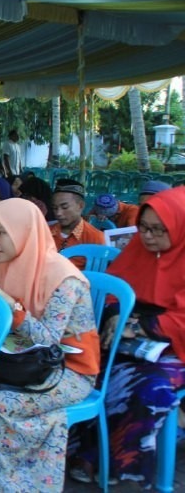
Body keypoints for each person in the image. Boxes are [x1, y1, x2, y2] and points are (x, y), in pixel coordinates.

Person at [0, 198, 99, 493]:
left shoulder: (64, 278)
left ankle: (10, 485)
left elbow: (47, 339)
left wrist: (11, 307)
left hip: (67, 371)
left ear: (24, 232)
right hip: (22, 363)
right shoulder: (5, 266)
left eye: (1, 233)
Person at [71, 187, 185, 487]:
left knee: (146, 389)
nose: (148, 237)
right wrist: (114, 317)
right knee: (85, 366)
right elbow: (114, 292)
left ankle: (124, 467)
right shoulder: (139, 250)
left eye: (159, 230)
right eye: (144, 228)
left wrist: (142, 326)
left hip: (178, 350)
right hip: (134, 342)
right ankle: (87, 452)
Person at [49, 179, 105, 270]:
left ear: (81, 206)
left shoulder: (96, 238)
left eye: (64, 207)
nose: (58, 213)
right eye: (55, 208)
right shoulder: (45, 232)